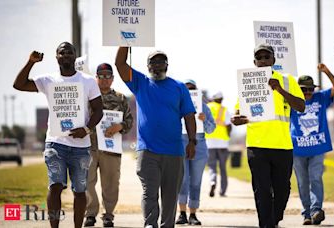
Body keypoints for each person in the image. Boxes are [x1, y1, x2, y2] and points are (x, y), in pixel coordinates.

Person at [13, 42, 103, 228]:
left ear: (75, 56)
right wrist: (31, 62)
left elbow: (98, 110)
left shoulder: (87, 81)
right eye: (62, 53)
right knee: (55, 186)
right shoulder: (48, 80)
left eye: (70, 52)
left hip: (81, 146)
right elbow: (19, 85)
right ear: (57, 57)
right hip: (55, 144)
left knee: (79, 191)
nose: (66, 55)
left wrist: (86, 129)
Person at [115, 47, 197, 228]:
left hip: (174, 151)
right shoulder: (140, 82)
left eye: (161, 61)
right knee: (149, 192)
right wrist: (124, 41)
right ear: (147, 66)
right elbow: (120, 64)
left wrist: (192, 141)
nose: (157, 64)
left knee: (170, 196)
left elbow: (189, 116)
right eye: (153, 61)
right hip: (147, 150)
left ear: (167, 65)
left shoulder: (179, 87)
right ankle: (150, 225)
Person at [231, 44, 305, 228]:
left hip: (282, 146)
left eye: (266, 57)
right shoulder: (247, 82)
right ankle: (267, 225)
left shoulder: (287, 80)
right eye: (259, 57)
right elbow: (239, 113)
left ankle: (274, 219)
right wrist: (236, 119)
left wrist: (279, 89)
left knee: (283, 190)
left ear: (273, 60)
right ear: (254, 62)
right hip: (257, 146)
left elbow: (301, 106)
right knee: (262, 190)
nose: (263, 60)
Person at [84, 63, 133, 227]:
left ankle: (108, 215)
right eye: (101, 76)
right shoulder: (87, 96)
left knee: (111, 183)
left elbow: (129, 121)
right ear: (96, 78)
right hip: (89, 146)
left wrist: (119, 126)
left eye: (108, 76)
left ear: (112, 78)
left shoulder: (120, 98)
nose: (104, 79)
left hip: (111, 148)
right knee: (87, 181)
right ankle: (90, 213)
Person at [290, 63, 334, 225]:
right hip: (297, 149)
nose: (308, 92)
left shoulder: (321, 97)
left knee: (315, 178)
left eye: (310, 89)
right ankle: (307, 213)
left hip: (318, 147)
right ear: (298, 90)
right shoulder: (292, 101)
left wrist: (327, 72)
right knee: (303, 182)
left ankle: (316, 210)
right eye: (304, 89)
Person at [175, 79, 216, 225]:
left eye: (192, 89)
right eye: (187, 89)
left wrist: (204, 121)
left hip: (199, 145)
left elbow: (211, 129)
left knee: (196, 181)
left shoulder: (204, 107)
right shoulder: (176, 104)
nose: (190, 91)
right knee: (182, 180)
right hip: (180, 144)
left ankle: (193, 214)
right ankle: (182, 213)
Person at [205, 91, 232, 197]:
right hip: (222, 143)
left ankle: (212, 182)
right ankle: (222, 191)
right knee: (223, 168)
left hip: (209, 142)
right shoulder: (224, 109)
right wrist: (228, 135)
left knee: (212, 166)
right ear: (221, 99)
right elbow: (229, 125)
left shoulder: (207, 107)